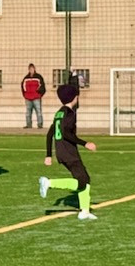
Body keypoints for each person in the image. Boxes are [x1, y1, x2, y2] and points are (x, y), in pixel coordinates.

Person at [38, 83, 99, 221]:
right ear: (74, 97)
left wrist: (49, 155)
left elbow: (49, 134)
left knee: (85, 179)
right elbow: (66, 133)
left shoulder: (59, 112)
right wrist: (85, 143)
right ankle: (49, 183)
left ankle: (84, 211)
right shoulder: (70, 113)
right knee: (82, 181)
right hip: (69, 152)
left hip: (62, 151)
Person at [21, 64, 46, 128]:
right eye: (30, 69)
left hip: (36, 97)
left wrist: (39, 94)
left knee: (38, 111)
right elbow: (23, 87)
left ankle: (40, 124)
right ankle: (29, 124)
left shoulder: (38, 77)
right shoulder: (26, 78)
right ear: (29, 70)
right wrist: (25, 95)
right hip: (28, 98)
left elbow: (42, 86)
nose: (31, 70)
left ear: (34, 69)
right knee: (28, 112)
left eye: (32, 69)